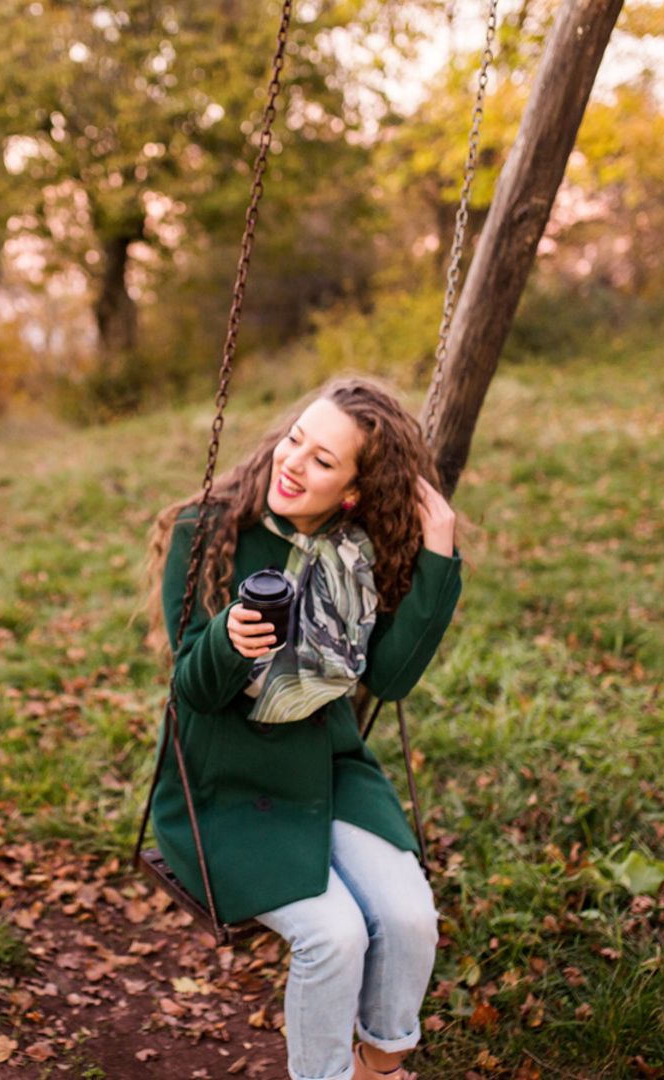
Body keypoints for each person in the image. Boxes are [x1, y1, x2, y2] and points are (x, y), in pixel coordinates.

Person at [146, 375, 462, 1080]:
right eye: (296, 439)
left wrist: (437, 553)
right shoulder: (211, 527)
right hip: (223, 788)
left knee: (410, 920)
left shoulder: (355, 552)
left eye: (322, 460)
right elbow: (192, 692)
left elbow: (390, 678)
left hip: (324, 767)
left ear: (353, 489)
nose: (292, 463)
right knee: (336, 936)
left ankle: (379, 1062)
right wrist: (230, 639)